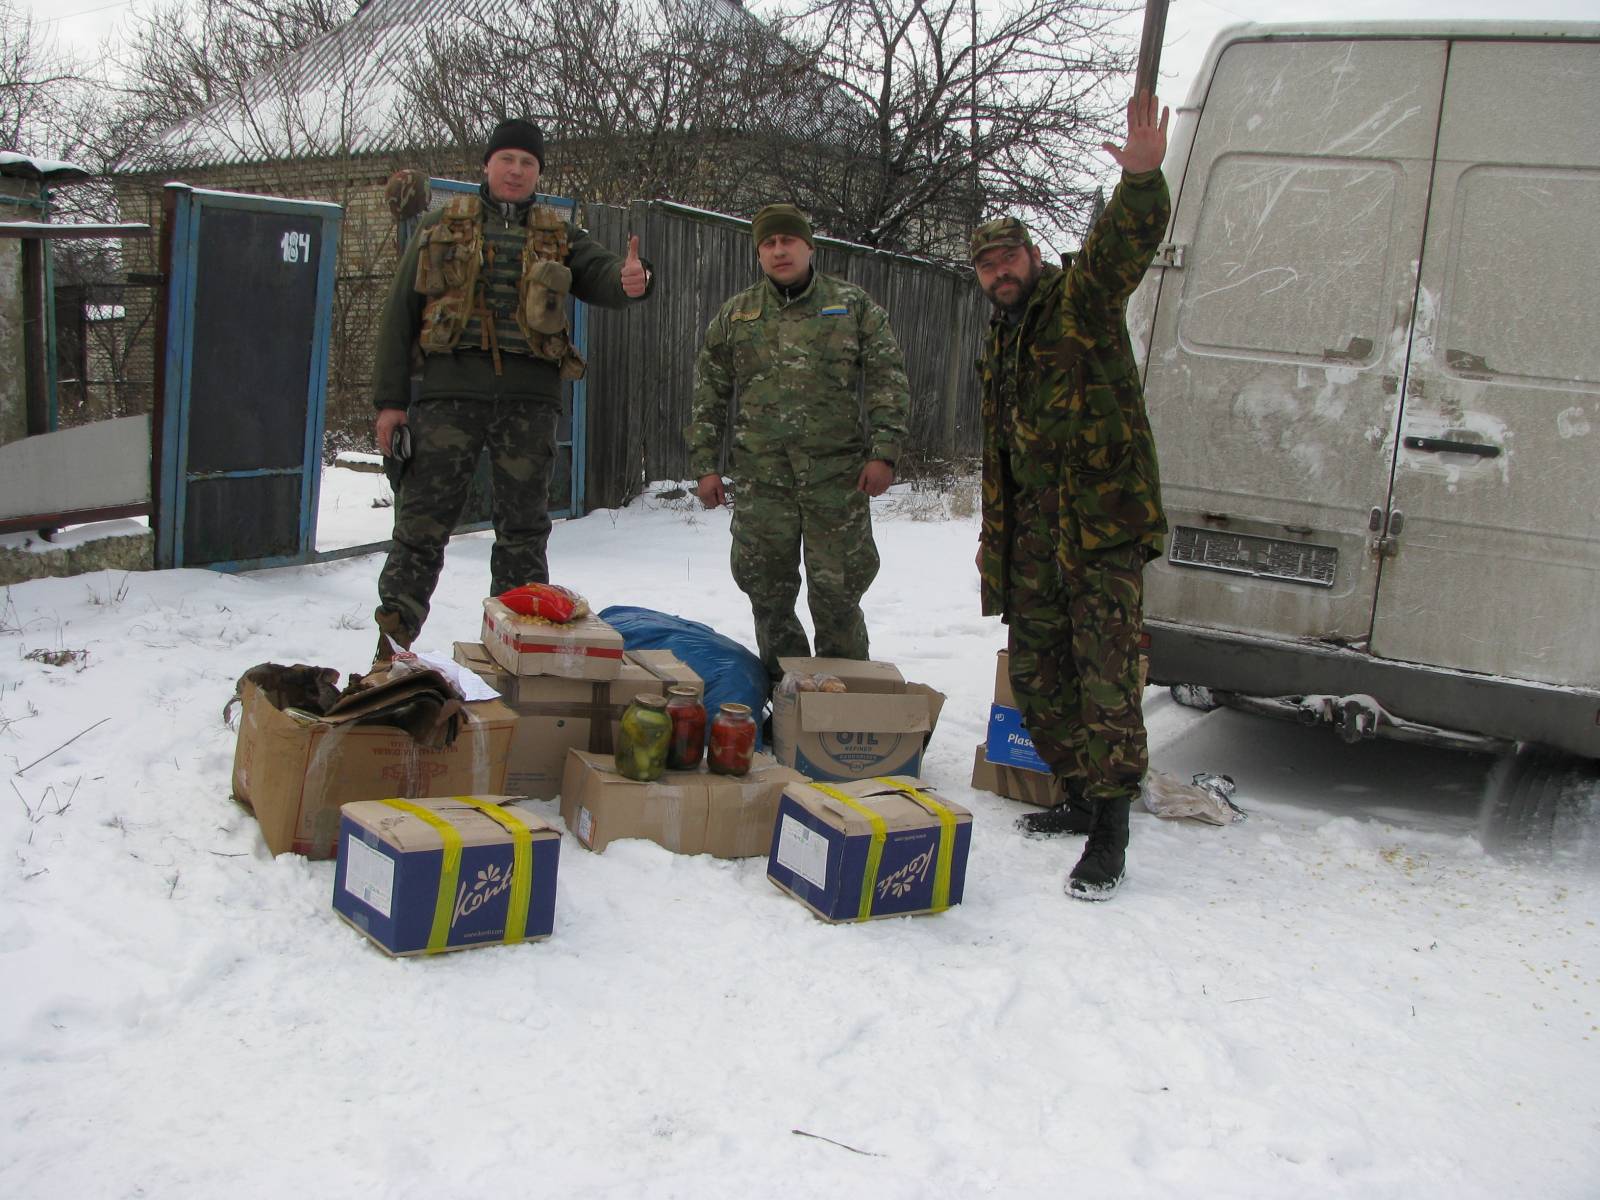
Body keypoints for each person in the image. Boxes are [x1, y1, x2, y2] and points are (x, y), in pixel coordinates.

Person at [971, 91, 1171, 901]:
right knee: (1039, 673)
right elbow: (1005, 451)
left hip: (1099, 528)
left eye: (1009, 258)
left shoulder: (1077, 304)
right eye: (986, 265)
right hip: (1033, 536)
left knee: (1106, 677)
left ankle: (1111, 831)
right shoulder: (1001, 338)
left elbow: (1121, 251)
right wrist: (994, 537)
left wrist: (1141, 180)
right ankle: (1082, 791)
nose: (1001, 272)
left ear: (1032, 255)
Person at [371, 117, 653, 652]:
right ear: (487, 165)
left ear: (538, 173)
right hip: (448, 400)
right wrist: (390, 403)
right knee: (420, 528)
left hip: (528, 404)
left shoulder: (560, 234)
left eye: (528, 162)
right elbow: (399, 313)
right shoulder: (439, 225)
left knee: (524, 535)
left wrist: (632, 280)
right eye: (507, 159)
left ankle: (518, 654)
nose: (517, 170)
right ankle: (391, 649)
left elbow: (602, 274)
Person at [687, 204, 910, 680]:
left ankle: (844, 703)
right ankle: (785, 695)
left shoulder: (852, 306)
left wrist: (884, 452)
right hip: (763, 483)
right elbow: (709, 393)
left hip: (837, 481)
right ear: (759, 254)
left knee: (838, 596)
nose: (779, 250)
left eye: (788, 240)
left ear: (809, 247)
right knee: (768, 595)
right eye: (768, 243)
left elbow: (887, 379)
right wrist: (705, 465)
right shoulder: (737, 315)